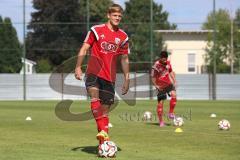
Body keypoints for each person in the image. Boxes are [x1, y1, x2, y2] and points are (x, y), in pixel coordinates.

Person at [74, 4, 130, 150]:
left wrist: (127, 78)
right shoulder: (96, 30)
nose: (117, 18)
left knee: (104, 111)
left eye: (119, 16)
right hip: (93, 72)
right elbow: (85, 48)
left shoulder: (123, 36)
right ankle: (105, 135)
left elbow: (124, 59)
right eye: (115, 15)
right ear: (108, 15)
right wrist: (78, 66)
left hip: (110, 77)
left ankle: (102, 145)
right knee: (94, 99)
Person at [151, 51, 177, 127]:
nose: (165, 60)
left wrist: (174, 80)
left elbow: (171, 71)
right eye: (163, 58)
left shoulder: (168, 63)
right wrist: (156, 85)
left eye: (166, 58)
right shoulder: (156, 66)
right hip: (160, 85)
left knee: (174, 95)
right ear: (160, 58)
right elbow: (152, 77)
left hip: (168, 83)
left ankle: (171, 113)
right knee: (161, 103)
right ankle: (161, 122)